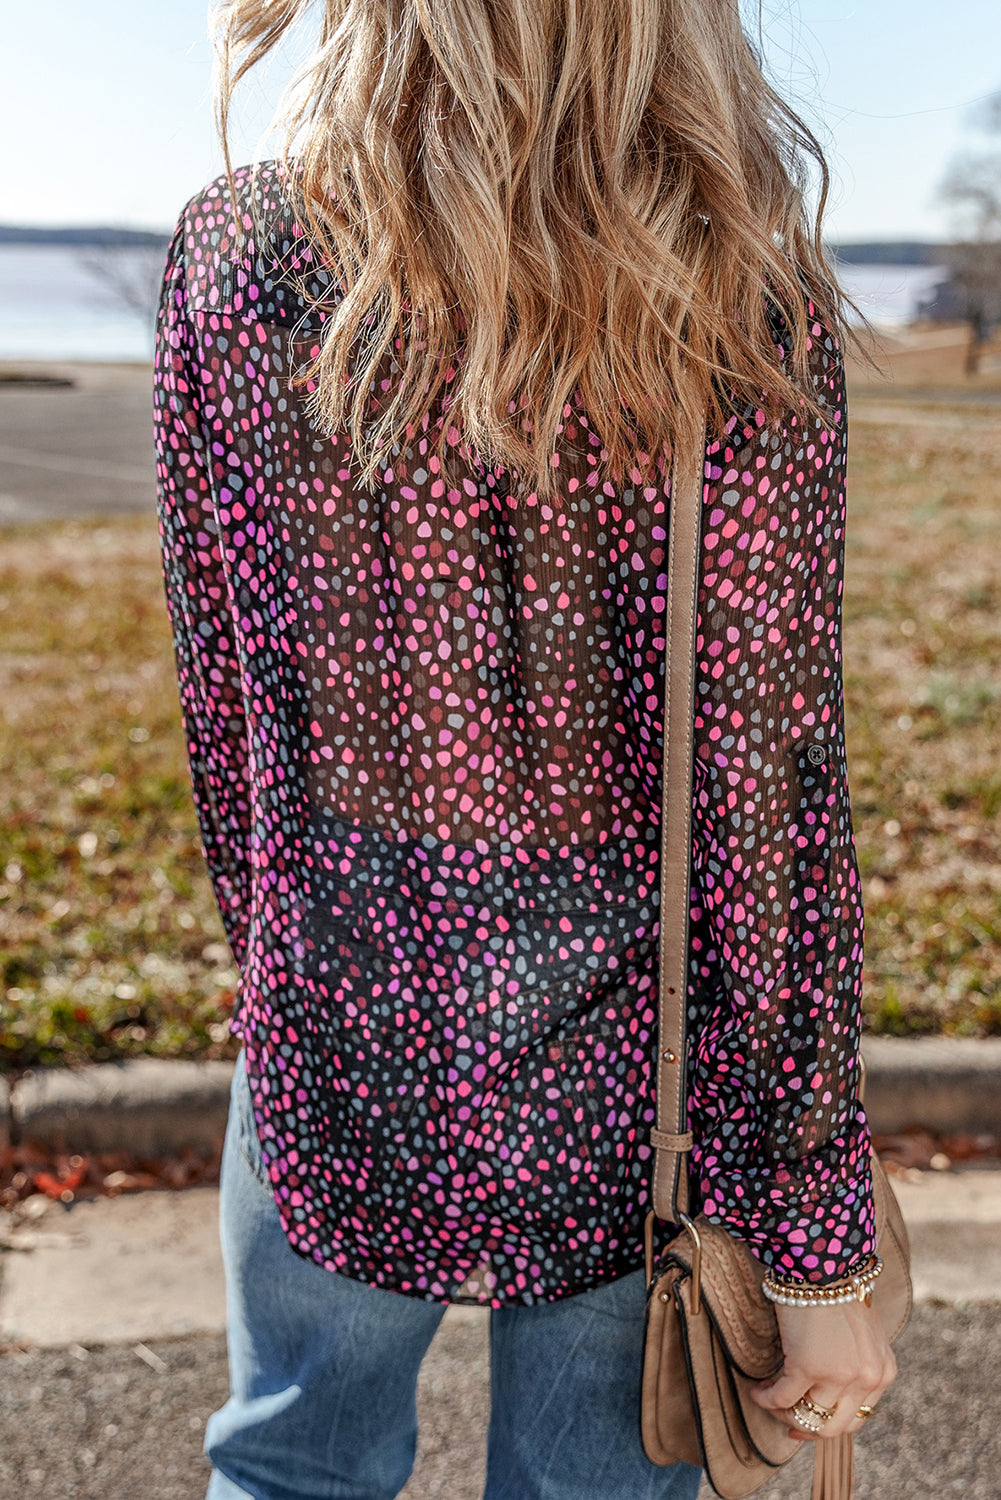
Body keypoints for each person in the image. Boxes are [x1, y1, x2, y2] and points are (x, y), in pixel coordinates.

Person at [152, 2, 898, 1496]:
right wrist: (813, 1235)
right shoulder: (731, 302)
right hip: (631, 1080)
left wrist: (283, 964)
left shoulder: (242, 256)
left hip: (335, 1019)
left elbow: (226, 703)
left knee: (289, 1466)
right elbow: (766, 809)